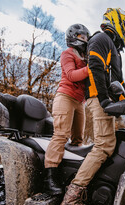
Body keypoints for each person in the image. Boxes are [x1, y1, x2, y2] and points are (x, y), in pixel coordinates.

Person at [56, 8, 125, 205]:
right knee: (103, 146)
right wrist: (103, 99)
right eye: (124, 25)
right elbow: (94, 66)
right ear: (115, 21)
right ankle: (70, 202)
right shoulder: (101, 38)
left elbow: (119, 82)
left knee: (115, 144)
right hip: (98, 99)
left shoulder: (114, 48)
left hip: (107, 101)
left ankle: (103, 189)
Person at [43, 24, 90, 195]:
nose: (84, 40)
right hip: (65, 97)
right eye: (82, 37)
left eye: (86, 38)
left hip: (79, 102)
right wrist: (90, 69)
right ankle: (49, 178)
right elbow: (71, 75)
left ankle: (69, 175)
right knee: (61, 135)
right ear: (73, 37)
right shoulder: (67, 54)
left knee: (78, 139)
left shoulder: (85, 57)